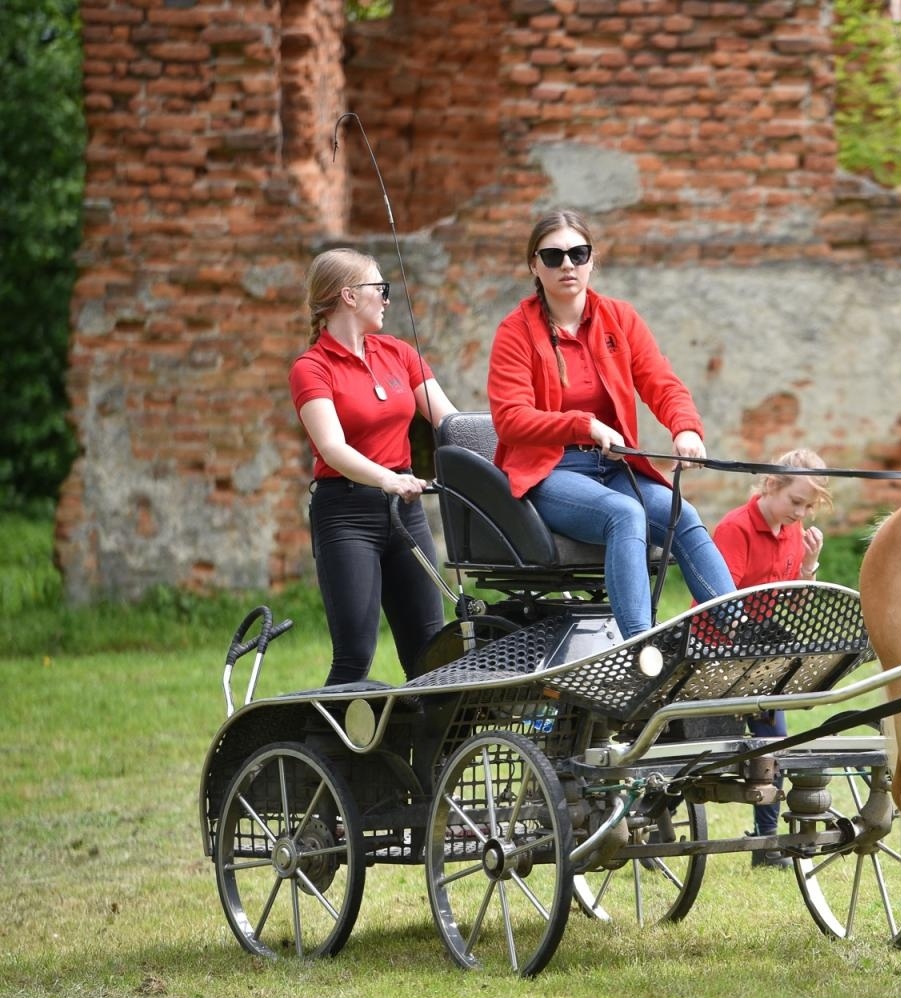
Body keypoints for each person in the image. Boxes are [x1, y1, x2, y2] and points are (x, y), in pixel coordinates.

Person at [487, 209, 736, 639]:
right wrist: (582, 425)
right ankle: (640, 644)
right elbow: (510, 420)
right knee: (624, 514)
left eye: (577, 253)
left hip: (615, 468)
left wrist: (686, 429)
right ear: (534, 265)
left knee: (682, 513)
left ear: (591, 260)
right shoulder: (515, 331)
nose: (567, 264)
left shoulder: (619, 318)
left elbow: (661, 382)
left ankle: (740, 631)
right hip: (550, 471)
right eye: (553, 256)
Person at [290, 248, 459, 686]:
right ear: (348, 295)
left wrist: (494, 452)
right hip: (345, 514)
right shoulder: (312, 368)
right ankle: (323, 752)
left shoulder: (398, 353)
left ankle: (430, 756)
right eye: (379, 288)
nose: (386, 298)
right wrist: (387, 478)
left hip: (405, 514)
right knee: (355, 654)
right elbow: (331, 447)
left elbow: (449, 420)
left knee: (432, 655)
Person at [712, 449, 830, 866]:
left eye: (809, 506)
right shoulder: (736, 528)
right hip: (717, 649)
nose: (801, 513)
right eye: (796, 501)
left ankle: (766, 841)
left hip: (759, 651)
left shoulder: (792, 533)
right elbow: (719, 603)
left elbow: (793, 604)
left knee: (773, 741)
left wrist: (810, 564)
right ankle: (658, 821)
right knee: (694, 749)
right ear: (770, 486)